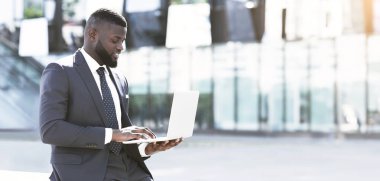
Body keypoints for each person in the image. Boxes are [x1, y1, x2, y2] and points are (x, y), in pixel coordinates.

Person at [39, 8, 181, 181]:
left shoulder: (120, 79)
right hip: (86, 171)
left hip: (130, 169)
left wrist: (147, 148)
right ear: (92, 34)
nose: (121, 47)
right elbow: (50, 130)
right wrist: (112, 134)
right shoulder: (60, 71)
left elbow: (122, 135)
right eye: (116, 40)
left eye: (123, 41)